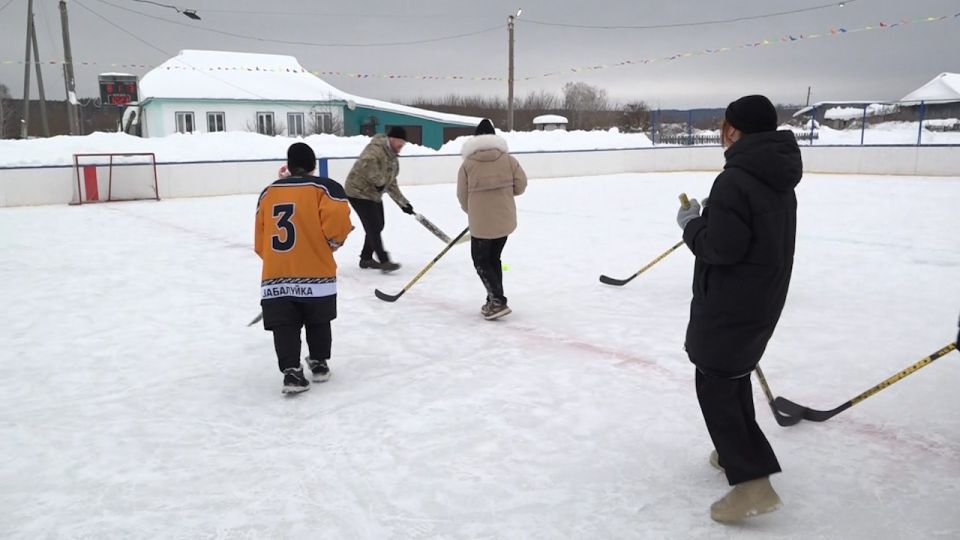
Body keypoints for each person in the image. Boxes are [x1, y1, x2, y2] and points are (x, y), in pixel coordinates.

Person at [676, 95, 802, 522]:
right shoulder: (775, 174)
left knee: (715, 388)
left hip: (731, 304)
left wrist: (693, 226)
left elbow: (721, 249)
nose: (719, 132)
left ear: (733, 130)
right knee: (730, 379)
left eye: (722, 125)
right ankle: (734, 453)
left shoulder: (734, 179)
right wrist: (716, 215)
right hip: (760, 299)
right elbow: (753, 234)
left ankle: (752, 484)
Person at [255, 142, 353, 394]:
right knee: (318, 318)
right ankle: (319, 364)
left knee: (284, 324)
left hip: (276, 274)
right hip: (315, 271)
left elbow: (260, 238)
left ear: (288, 165)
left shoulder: (268, 192)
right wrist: (333, 243)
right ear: (313, 165)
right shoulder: (325, 187)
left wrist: (276, 261)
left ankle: (291, 372)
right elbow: (338, 221)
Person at [457, 119, 527, 320]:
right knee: (493, 259)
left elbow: (462, 196)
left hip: (481, 224)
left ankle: (497, 300)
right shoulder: (509, 160)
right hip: (504, 220)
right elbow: (521, 185)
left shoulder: (468, 165)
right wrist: (504, 194)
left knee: (480, 261)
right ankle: (494, 298)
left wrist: (472, 211)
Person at [344, 126, 414, 272]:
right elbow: (366, 164)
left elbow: (391, 184)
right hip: (357, 192)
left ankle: (366, 258)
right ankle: (384, 261)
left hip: (373, 194)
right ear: (392, 139)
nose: (402, 147)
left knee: (378, 224)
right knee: (374, 226)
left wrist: (403, 203)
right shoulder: (375, 150)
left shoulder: (393, 158)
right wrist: (379, 182)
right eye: (400, 143)